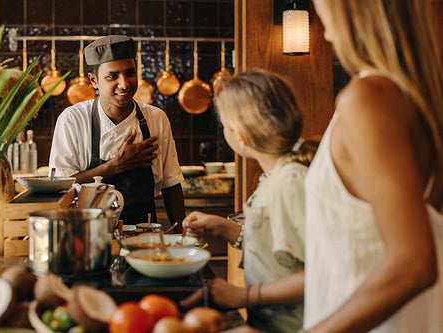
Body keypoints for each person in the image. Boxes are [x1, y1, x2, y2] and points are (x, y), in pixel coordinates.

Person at [303, 0, 443, 332]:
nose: (323, 33)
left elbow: (413, 264)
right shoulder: (421, 100)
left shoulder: (368, 98)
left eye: (323, 12)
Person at [181, 69, 318, 333]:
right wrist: (226, 228)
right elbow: (278, 252)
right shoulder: (274, 176)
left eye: (225, 125)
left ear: (240, 136)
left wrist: (244, 296)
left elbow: (319, 274)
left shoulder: (290, 183)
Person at [49, 35, 185, 227]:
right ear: (94, 80)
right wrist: (117, 165)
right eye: (113, 76)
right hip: (89, 235)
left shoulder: (156, 118)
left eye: (130, 73)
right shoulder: (73, 120)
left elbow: (171, 185)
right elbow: (61, 185)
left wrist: (183, 238)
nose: (125, 84)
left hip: (144, 236)